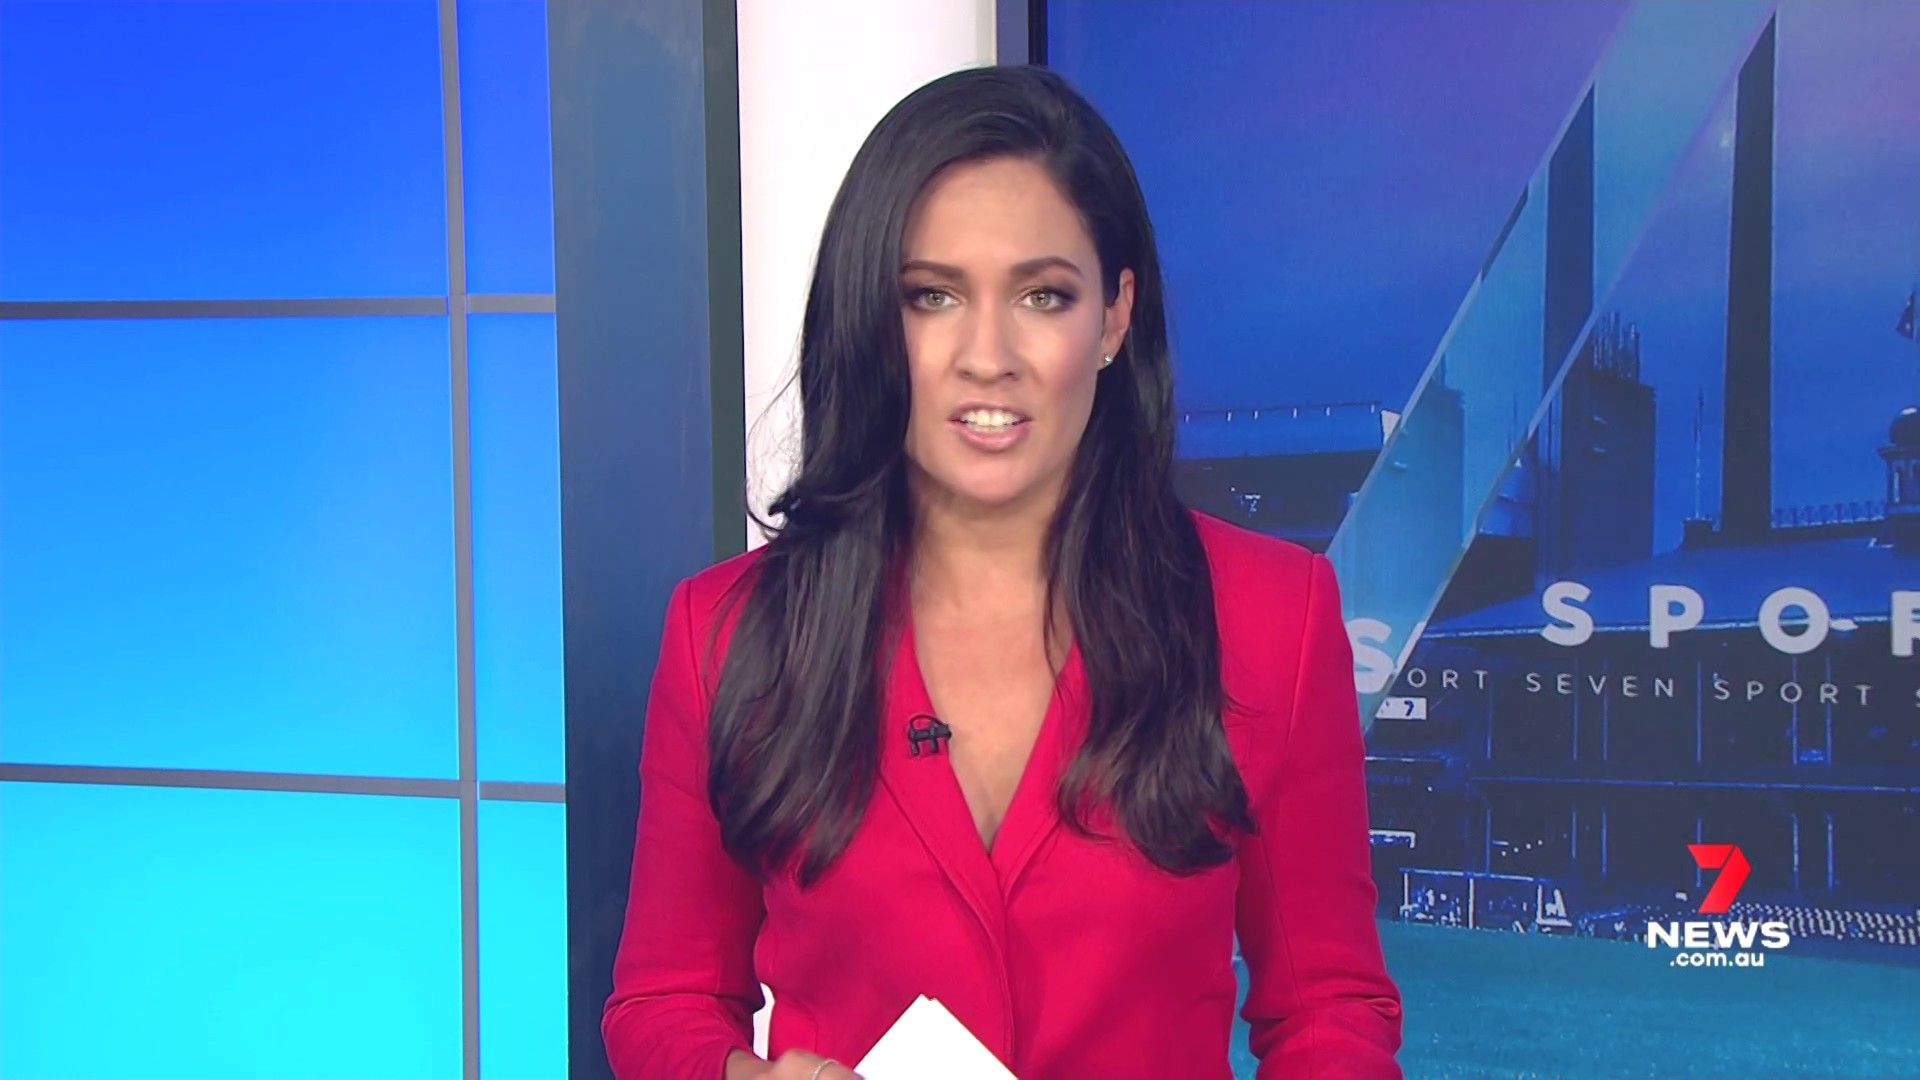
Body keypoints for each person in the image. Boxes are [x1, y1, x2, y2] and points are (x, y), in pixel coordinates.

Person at [602, 64, 1402, 1080]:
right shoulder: (724, 632)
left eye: (1042, 295)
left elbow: (1329, 1009)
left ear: (1114, 317)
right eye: (932, 296)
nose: (988, 356)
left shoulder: (1273, 615)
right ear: (872, 321)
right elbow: (665, 1001)